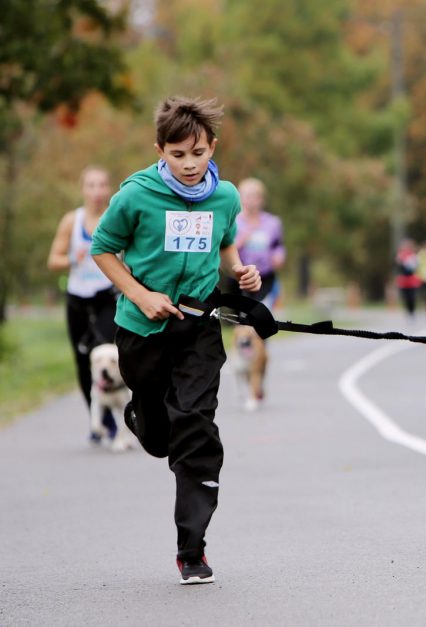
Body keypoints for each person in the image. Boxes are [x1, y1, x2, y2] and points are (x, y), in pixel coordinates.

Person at [91, 96, 261, 585]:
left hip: (198, 328)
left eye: (199, 153)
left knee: (196, 427)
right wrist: (142, 296)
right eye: (178, 154)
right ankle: (144, 415)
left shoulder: (224, 195)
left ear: (213, 148)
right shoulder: (134, 197)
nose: (189, 165)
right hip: (143, 331)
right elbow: (103, 249)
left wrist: (239, 270)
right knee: (159, 435)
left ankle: (192, 549)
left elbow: (225, 239)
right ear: (160, 150)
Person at [47, 166, 119, 443]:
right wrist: (73, 259)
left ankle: (117, 415)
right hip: (78, 298)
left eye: (102, 185)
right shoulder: (71, 221)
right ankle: (97, 419)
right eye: (91, 185)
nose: (97, 191)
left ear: (109, 189)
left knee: (109, 354)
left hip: (107, 295)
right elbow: (53, 260)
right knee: (82, 360)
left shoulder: (116, 218)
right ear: (83, 189)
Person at [232, 177, 285, 310]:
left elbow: (278, 246)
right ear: (240, 198)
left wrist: (279, 256)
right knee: (243, 317)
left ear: (262, 199)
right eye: (247, 196)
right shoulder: (234, 222)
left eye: (255, 196)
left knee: (261, 313)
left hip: (265, 276)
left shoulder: (272, 222)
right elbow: (226, 249)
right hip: (240, 277)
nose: (251, 200)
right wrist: (242, 240)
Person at [395, 238, 421, 318]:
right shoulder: (400, 255)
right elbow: (398, 266)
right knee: (405, 296)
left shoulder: (413, 255)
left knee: (412, 296)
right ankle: (408, 311)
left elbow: (416, 267)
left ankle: (412, 311)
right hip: (403, 279)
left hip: (411, 278)